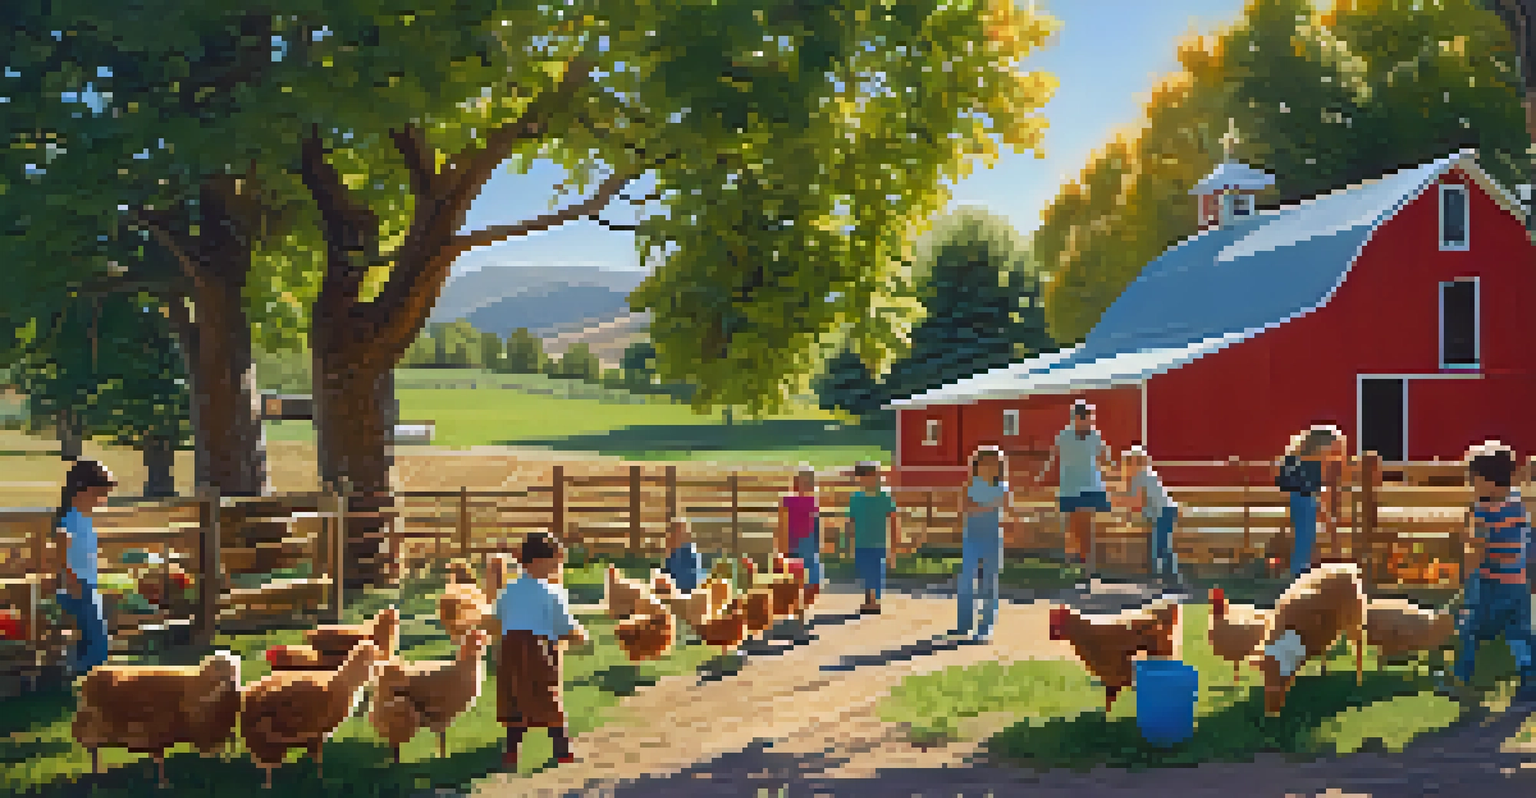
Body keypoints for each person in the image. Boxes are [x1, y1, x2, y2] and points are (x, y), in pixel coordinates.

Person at [1446, 443, 1536, 704]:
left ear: (1489, 481)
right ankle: (1525, 679)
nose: (1472, 485)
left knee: (1471, 626)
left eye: (1474, 480)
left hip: (1496, 583)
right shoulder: (1503, 504)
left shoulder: (1503, 510)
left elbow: (1509, 549)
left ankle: (1463, 678)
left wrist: (1478, 548)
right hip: (1513, 582)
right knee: (1517, 632)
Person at [495, 531, 590, 769]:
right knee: (548, 695)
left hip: (509, 648)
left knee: (514, 697)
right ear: (538, 562)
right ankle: (563, 750)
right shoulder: (552, 591)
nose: (557, 567)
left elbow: (500, 617)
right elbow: (563, 624)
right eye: (554, 561)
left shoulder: (509, 590)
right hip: (539, 647)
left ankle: (511, 753)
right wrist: (580, 636)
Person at [1034, 400, 1113, 572]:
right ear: (1075, 417)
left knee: (1086, 526)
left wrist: (1111, 473)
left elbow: (1106, 457)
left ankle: (1088, 567)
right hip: (1069, 485)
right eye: (1083, 416)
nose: (1087, 420)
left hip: (1089, 486)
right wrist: (1043, 475)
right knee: (1072, 526)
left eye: (1089, 417)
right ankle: (1073, 564)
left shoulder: (1094, 436)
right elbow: (1054, 457)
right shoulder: (1064, 436)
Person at [54, 458, 117, 676]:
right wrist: (70, 578)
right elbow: (62, 548)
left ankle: (83, 677)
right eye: (99, 494)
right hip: (79, 585)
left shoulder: (82, 518)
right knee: (96, 638)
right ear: (80, 491)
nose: (102, 500)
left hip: (87, 583)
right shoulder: (71, 520)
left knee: (90, 634)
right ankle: (92, 677)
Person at [954, 447, 1009, 643]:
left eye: (996, 464)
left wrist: (979, 507)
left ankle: (985, 627)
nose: (992, 468)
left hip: (992, 539)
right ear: (978, 465)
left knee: (988, 582)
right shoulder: (970, 485)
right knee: (967, 580)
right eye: (987, 463)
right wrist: (986, 506)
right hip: (972, 539)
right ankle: (964, 624)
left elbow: (1002, 503)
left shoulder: (1001, 486)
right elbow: (965, 508)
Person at [1276, 425, 1344, 580]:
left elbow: (1287, 479)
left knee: (1306, 532)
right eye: (1331, 448)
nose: (1332, 453)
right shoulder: (1309, 461)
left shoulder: (1298, 458)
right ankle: (1300, 568)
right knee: (1305, 532)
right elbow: (1308, 485)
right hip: (1301, 498)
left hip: (1300, 498)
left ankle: (1301, 566)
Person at [1118, 445, 1181, 581]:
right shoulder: (1141, 475)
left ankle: (1170, 575)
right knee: (1157, 542)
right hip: (1159, 513)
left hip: (1164, 512)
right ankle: (1160, 573)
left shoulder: (1142, 476)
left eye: (1130, 462)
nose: (1127, 465)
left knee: (1161, 543)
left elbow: (1137, 501)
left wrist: (1119, 501)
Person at [846, 461, 900, 615]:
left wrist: (893, 547)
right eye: (860, 476)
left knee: (876, 571)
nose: (862, 480)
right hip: (861, 541)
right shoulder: (856, 498)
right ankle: (870, 599)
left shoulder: (884, 496)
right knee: (865, 570)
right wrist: (848, 541)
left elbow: (893, 520)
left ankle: (874, 601)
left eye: (867, 476)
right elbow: (851, 520)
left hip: (878, 541)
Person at [778, 467, 823, 621]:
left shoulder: (813, 501)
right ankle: (797, 610)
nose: (804, 486)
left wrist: (818, 544)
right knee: (796, 578)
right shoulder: (787, 501)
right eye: (801, 482)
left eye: (808, 482)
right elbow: (782, 524)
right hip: (794, 542)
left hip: (809, 543)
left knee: (813, 578)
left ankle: (801, 607)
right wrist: (782, 546)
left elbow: (816, 524)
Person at [662, 519, 704, 595]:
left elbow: (693, 577)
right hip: (673, 592)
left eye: (679, 532)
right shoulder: (672, 552)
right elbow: (668, 573)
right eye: (673, 532)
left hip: (687, 592)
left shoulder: (689, 551)